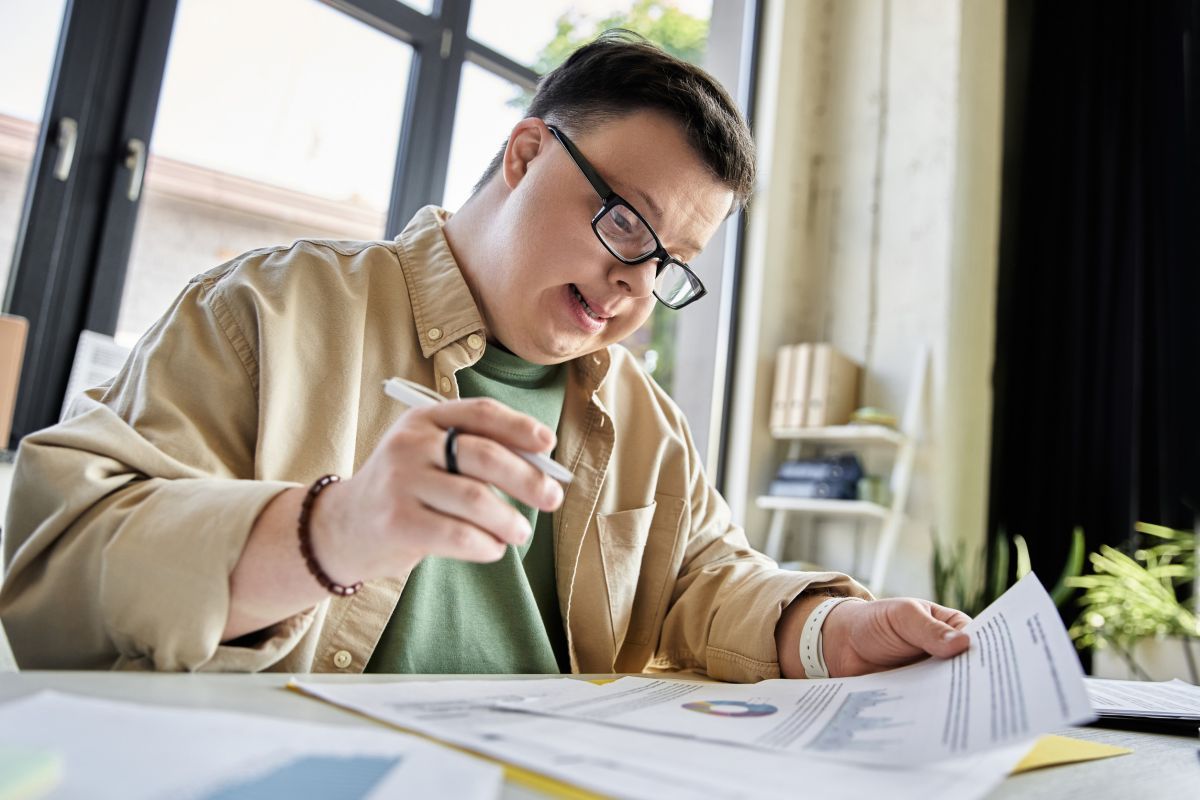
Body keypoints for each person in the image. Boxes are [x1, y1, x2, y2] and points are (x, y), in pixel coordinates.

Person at [0, 31, 970, 680]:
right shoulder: (268, 307)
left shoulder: (642, 415)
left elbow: (702, 581)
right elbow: (56, 566)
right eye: (626, 221)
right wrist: (328, 530)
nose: (637, 283)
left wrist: (825, 629)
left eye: (672, 261)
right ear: (521, 156)